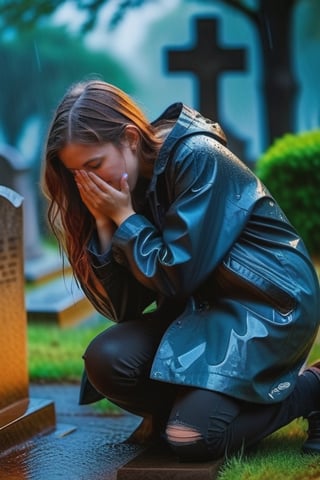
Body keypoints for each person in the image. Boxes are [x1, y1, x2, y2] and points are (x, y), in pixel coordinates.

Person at [42, 79, 320, 461]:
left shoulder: (197, 155)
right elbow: (123, 310)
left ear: (130, 138)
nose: (89, 183)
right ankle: (190, 408)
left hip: (268, 304)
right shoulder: (122, 189)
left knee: (193, 438)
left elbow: (178, 275)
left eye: (94, 165)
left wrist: (125, 221)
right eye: (77, 174)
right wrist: (107, 226)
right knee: (107, 361)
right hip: (201, 311)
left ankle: (311, 388)